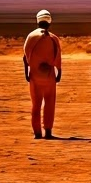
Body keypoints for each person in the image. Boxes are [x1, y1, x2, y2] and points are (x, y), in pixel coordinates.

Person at [23, 9, 62, 140]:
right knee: (50, 103)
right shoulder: (53, 38)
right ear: (49, 22)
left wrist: (27, 73)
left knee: (36, 104)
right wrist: (59, 73)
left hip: (35, 75)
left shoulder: (31, 36)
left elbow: (25, 57)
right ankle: (48, 131)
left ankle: (37, 133)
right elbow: (58, 58)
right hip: (49, 76)